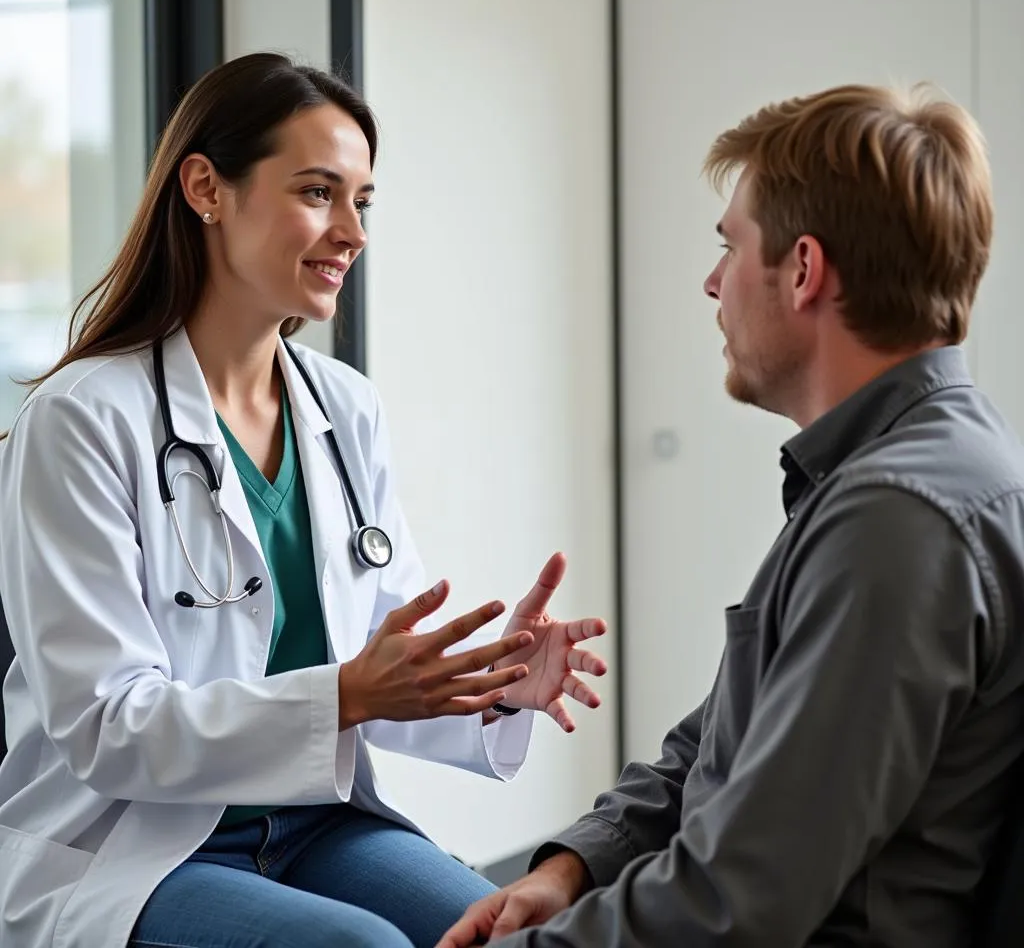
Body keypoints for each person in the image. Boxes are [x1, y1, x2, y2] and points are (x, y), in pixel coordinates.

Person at [0, 52, 609, 948]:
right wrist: (345, 697)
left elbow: (381, 650)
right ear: (206, 187)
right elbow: (106, 726)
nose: (352, 231)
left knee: (509, 931)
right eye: (318, 192)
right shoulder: (82, 419)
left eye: (363, 200)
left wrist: (494, 682)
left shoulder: (342, 405)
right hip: (134, 844)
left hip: (314, 819)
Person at [439, 84, 1024, 947]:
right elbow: (722, 740)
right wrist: (572, 871)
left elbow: (740, 900)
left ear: (803, 271)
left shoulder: (899, 523)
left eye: (730, 247)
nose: (713, 283)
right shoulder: (886, 471)